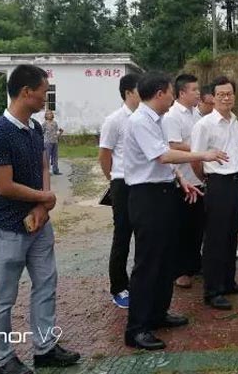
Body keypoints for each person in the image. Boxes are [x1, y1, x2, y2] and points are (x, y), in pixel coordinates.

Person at [0, 65, 80, 374]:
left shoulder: (35, 128)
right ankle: (2, 359)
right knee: (3, 297)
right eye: (43, 92)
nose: (45, 99)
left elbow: (43, 167)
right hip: (6, 227)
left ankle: (45, 347)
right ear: (26, 92)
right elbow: (4, 186)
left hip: (38, 224)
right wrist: (43, 198)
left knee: (46, 283)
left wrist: (43, 204)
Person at [123, 72, 227, 350]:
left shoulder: (156, 120)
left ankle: (158, 314)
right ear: (160, 93)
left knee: (165, 258)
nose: (173, 96)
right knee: (148, 263)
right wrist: (203, 154)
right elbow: (163, 155)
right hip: (146, 197)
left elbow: (162, 161)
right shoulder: (140, 121)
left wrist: (180, 179)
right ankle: (137, 328)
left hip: (164, 192)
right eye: (171, 91)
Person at [191, 76, 238, 311]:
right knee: (215, 238)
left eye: (229, 94)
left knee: (231, 235)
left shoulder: (235, 120)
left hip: (234, 182)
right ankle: (212, 291)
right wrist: (207, 179)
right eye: (221, 95)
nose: (226, 98)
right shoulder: (204, 125)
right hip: (216, 183)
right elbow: (196, 158)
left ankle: (228, 282)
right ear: (213, 98)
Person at [98, 72, 142, 309]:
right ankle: (119, 287)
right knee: (122, 236)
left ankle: (139, 281)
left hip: (142, 184)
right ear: (128, 93)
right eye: (139, 90)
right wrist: (113, 179)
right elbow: (104, 155)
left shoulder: (146, 118)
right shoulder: (114, 120)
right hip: (122, 183)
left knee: (143, 234)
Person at [163, 74, 206, 289]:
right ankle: (180, 271)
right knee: (181, 227)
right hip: (182, 179)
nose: (198, 93)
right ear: (181, 93)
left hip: (198, 177)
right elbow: (173, 146)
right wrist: (200, 149)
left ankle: (194, 264)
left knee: (197, 225)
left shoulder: (196, 113)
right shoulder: (172, 116)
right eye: (194, 90)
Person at [42, 110, 63, 175]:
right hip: (47, 142)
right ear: (46, 116)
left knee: (55, 157)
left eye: (51, 114)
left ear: (52, 115)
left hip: (55, 142)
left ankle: (55, 170)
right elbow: (41, 133)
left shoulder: (55, 123)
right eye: (48, 114)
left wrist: (61, 132)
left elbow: (56, 133)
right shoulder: (44, 124)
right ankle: (47, 171)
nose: (49, 115)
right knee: (47, 157)